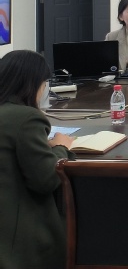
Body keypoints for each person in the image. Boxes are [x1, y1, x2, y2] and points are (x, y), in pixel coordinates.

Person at [0, 50, 76, 269]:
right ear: (33, 84)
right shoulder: (27, 118)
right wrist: (61, 147)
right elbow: (46, 180)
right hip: (19, 241)